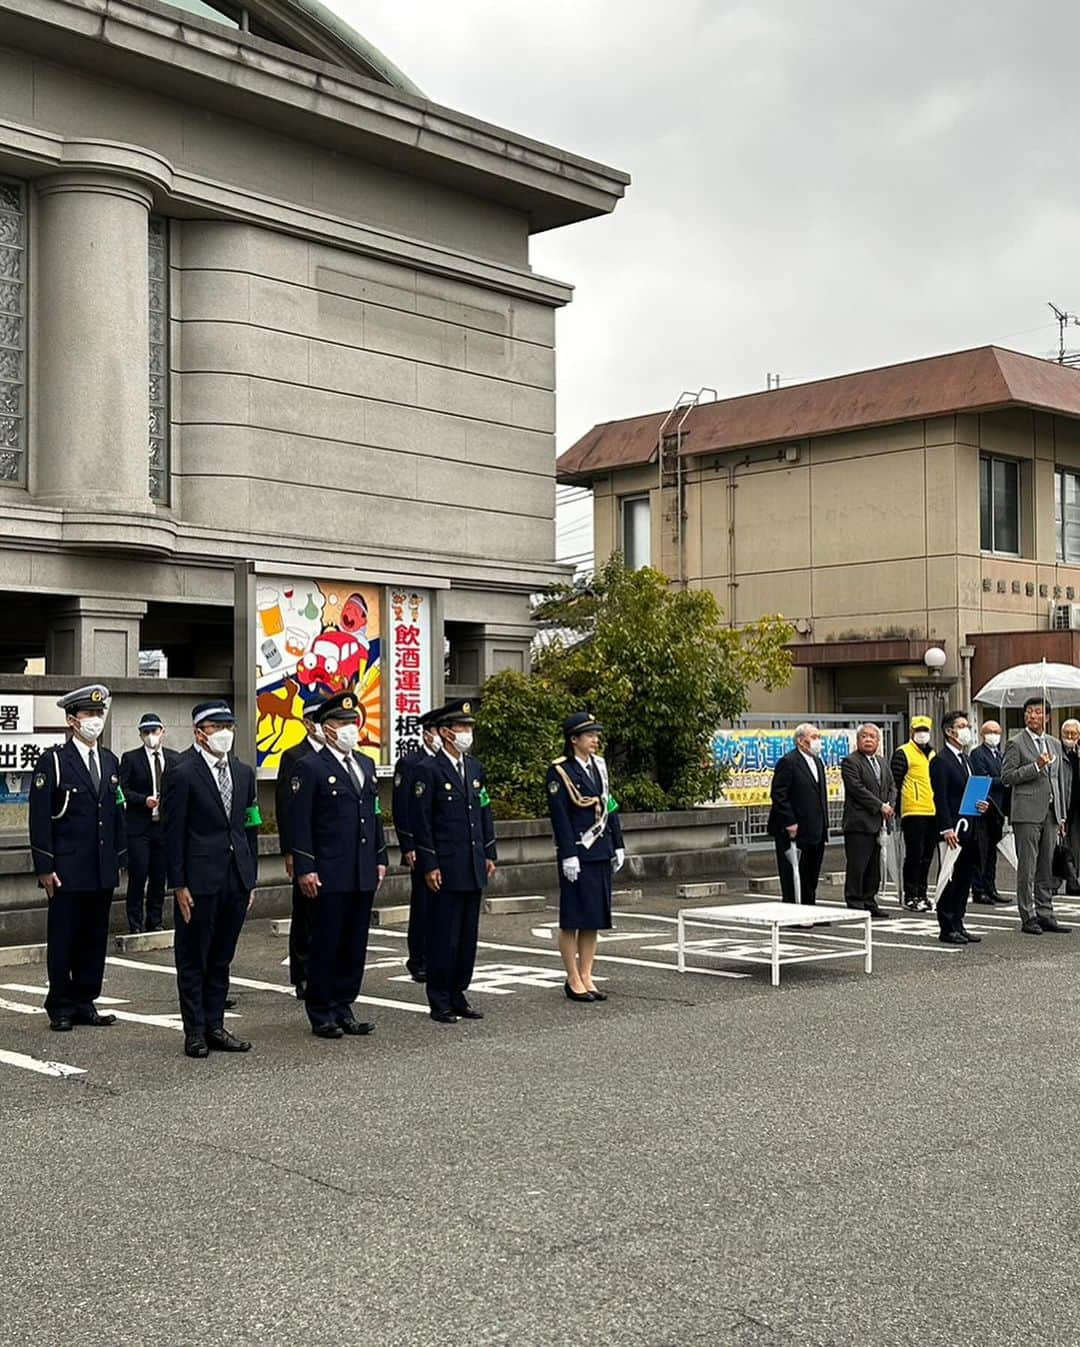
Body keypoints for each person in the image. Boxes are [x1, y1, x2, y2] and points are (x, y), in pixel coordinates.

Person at [163, 700, 260, 1058]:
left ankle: (216, 1024)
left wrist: (250, 877)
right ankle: (195, 1031)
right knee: (193, 956)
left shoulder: (243, 771)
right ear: (199, 732)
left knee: (221, 956)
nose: (224, 734)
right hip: (199, 879)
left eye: (229, 727)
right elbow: (172, 834)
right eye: (216, 727)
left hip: (235, 878)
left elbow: (250, 825)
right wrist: (179, 884)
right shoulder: (182, 771)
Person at [289, 691, 387, 1040]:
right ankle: (321, 1010)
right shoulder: (310, 767)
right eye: (342, 723)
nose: (350, 729)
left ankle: (344, 1004)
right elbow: (301, 822)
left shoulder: (365, 764)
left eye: (353, 722)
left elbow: (373, 816)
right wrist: (305, 867)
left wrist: (380, 856)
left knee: (354, 942)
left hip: (361, 869)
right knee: (326, 941)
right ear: (326, 729)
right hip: (328, 870)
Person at [28, 684, 126, 1032]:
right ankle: (60, 1005)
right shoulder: (54, 760)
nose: (95, 721)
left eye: (99, 714)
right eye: (88, 715)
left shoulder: (111, 760)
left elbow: (116, 814)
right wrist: (45, 866)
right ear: (72, 720)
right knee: (64, 937)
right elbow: (40, 818)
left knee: (94, 936)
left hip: (100, 867)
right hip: (67, 868)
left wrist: (120, 858)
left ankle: (86, 999)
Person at [411, 699, 497, 1024]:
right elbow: (423, 822)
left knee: (466, 935)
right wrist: (429, 864)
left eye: (469, 728)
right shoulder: (428, 770)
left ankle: (459, 992)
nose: (467, 733)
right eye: (462, 728)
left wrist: (489, 852)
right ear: (446, 732)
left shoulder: (474, 768)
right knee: (443, 934)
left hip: (472, 862)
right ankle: (440, 998)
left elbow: (484, 812)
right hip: (445, 865)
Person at [546, 712, 626, 1001]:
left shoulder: (599, 767)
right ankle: (572, 977)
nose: (595, 739)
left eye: (596, 734)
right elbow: (561, 817)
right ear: (573, 740)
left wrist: (618, 843)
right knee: (573, 918)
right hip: (578, 852)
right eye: (589, 735)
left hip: (600, 850)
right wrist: (568, 854)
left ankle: (587, 973)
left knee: (594, 917)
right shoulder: (560, 772)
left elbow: (609, 806)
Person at [1002, 696, 1071, 935]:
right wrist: (1036, 766)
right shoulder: (1016, 743)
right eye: (1029, 712)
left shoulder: (1054, 743)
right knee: (1028, 867)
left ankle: (1045, 912)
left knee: (1046, 867)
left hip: (1051, 814)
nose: (1032, 716)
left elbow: (1059, 780)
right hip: (1027, 812)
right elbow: (1007, 777)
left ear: (1048, 717)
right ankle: (1028, 915)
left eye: (1038, 712)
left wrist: (1062, 815)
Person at [274, 694, 324, 1000]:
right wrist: (290, 850)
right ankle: (302, 973)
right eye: (319, 720)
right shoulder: (294, 755)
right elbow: (285, 806)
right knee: (304, 912)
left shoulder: (338, 755)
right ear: (307, 723)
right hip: (305, 847)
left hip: (333, 848)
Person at [930, 710, 989, 945]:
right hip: (952, 829)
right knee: (950, 877)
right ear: (949, 731)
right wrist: (946, 828)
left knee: (965, 876)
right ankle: (946, 926)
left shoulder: (966, 759)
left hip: (970, 825)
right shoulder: (940, 761)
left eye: (967, 725)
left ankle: (959, 922)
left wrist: (981, 804)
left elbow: (969, 790)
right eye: (962, 725)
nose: (967, 730)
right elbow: (940, 797)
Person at [391, 710, 442, 982]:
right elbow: (403, 807)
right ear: (426, 733)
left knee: (443, 905)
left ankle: (437, 956)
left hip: (445, 845)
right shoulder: (410, 762)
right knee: (422, 903)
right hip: (420, 846)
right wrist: (408, 844)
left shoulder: (448, 763)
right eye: (436, 731)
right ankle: (418, 959)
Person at [119, 712, 180, 934]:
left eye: (154, 731)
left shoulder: (174, 758)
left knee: (159, 876)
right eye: (146, 732)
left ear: (162, 732)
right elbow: (122, 790)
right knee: (138, 874)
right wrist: (142, 800)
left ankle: (154, 921)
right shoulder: (130, 758)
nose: (151, 736)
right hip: (139, 827)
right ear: (140, 735)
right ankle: (134, 922)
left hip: (163, 828)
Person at [766, 723, 828, 906]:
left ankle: (809, 907)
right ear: (801, 741)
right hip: (794, 828)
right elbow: (779, 794)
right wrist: (789, 821)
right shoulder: (789, 761)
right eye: (813, 737)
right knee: (793, 871)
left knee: (811, 871)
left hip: (815, 826)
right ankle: (793, 909)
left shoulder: (817, 761)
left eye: (818, 737)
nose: (818, 741)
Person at [839, 723, 895, 919]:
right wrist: (880, 805)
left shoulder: (882, 762)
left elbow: (891, 786)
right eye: (865, 736)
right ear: (858, 740)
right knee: (858, 865)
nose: (869, 740)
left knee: (874, 866)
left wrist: (890, 804)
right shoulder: (850, 761)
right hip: (859, 824)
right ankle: (855, 901)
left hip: (878, 822)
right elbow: (856, 789)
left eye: (873, 737)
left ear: (878, 741)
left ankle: (870, 900)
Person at [890, 715, 937, 912]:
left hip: (933, 810)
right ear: (911, 732)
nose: (922, 734)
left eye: (925, 730)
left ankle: (923, 893)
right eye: (918, 730)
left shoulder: (933, 754)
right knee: (914, 855)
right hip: (913, 810)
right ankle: (911, 895)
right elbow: (896, 783)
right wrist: (896, 808)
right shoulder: (903, 752)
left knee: (927, 856)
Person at [968, 719, 1011, 905]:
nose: (994, 735)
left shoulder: (1001, 756)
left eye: (997, 731)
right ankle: (978, 890)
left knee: (992, 851)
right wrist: (1005, 779)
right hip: (984, 807)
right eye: (990, 731)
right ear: (983, 734)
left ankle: (991, 887)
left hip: (998, 810)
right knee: (980, 851)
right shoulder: (977, 754)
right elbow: (982, 779)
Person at [1057, 718, 1080, 895]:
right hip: (1064, 804)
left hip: (1077, 806)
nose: (1070, 737)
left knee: (1075, 846)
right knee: (1062, 846)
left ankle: (1073, 881)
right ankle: (1058, 882)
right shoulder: (1056, 752)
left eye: (1073, 734)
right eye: (1067, 734)